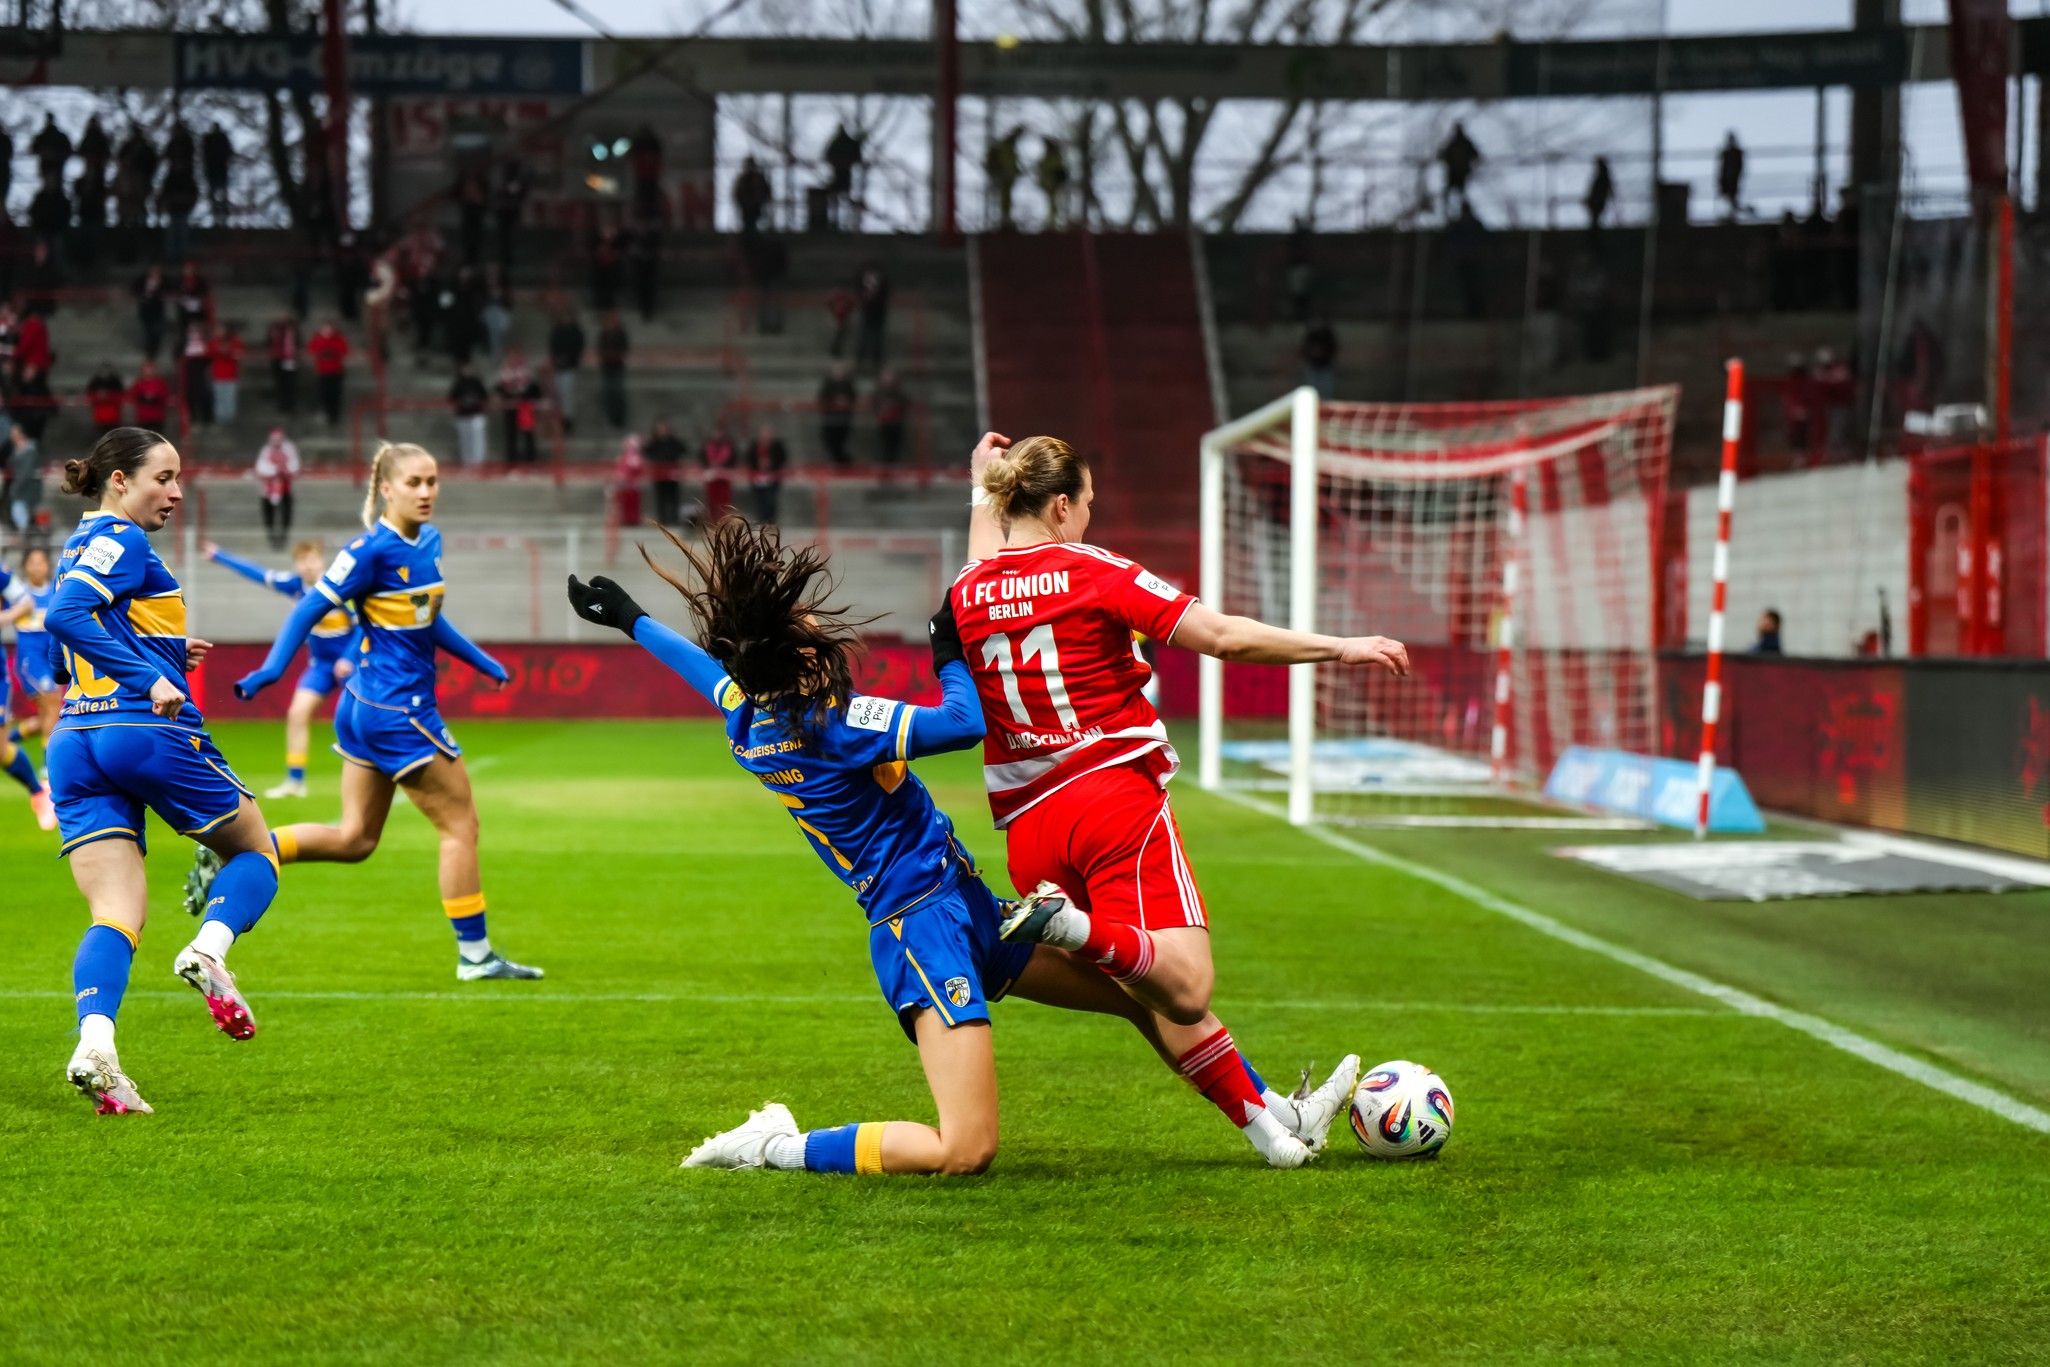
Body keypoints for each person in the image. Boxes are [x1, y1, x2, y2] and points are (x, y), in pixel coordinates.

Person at [955, 432, 1410, 1167]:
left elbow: (985, 561)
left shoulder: (967, 590)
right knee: (1187, 985)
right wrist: (1341, 646)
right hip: (1111, 804)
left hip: (1029, 830)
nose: (1091, 518)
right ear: (1064, 504)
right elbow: (1223, 637)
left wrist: (980, 489)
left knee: (1149, 994)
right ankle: (1072, 928)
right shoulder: (1096, 572)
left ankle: (1276, 1126)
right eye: (1089, 504)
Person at [562, 523, 1047, 1174]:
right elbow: (963, 724)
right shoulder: (836, 727)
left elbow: (705, 672)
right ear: (800, 656)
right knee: (965, 1148)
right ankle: (775, 1146)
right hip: (924, 924)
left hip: (962, 897)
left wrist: (631, 618)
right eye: (808, 624)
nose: (818, 624)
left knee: (1140, 989)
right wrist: (947, 650)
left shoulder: (751, 717)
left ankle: (1240, 1105)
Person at [215, 441, 543, 982]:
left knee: (355, 839)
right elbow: (309, 606)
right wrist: (273, 670)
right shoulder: (368, 551)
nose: (426, 492)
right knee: (461, 825)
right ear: (386, 489)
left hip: (365, 708)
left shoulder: (429, 541)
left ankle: (245, 851)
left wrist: (482, 660)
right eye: (413, 482)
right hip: (399, 712)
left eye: (432, 481)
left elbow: (427, 620)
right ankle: (476, 956)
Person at [46, 426, 285, 1115]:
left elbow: (82, 624)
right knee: (255, 850)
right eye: (163, 477)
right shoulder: (125, 539)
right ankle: (209, 950)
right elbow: (66, 616)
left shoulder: (80, 541)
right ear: (118, 480)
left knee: (115, 915)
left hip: (76, 739)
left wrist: (167, 648)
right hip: (139, 728)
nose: (176, 491)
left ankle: (97, 1046)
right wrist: (150, 677)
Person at [203, 537, 359, 799]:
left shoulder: (338, 586)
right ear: (297, 565)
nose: (308, 565)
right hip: (320, 666)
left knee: (352, 719)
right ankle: (295, 782)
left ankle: (368, 773)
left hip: (349, 665)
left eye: (312, 559)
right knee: (297, 713)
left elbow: (362, 627)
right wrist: (219, 555)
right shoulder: (294, 586)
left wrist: (349, 658)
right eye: (302, 561)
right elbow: (257, 573)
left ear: (322, 561)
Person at [0, 554, 58, 831]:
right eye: (31, 562)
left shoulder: (5, 576)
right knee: (52, 706)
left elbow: (24, 602)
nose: (37, 566)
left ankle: (38, 789)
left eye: (41, 562)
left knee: (52, 714)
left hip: (49, 658)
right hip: (30, 660)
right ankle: (47, 773)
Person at [252, 428, 301, 550]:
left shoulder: (288, 449)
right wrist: (275, 471)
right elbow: (261, 468)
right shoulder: (266, 451)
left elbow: (294, 466)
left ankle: (283, 536)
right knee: (269, 515)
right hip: (267, 491)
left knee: (286, 514)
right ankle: (271, 537)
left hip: (285, 488)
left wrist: (283, 470)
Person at [496, 350, 540, 466]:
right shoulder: (505, 372)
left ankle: (531, 461)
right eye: (512, 358)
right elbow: (501, 388)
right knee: (511, 435)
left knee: (527, 434)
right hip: (510, 409)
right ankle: (512, 462)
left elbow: (532, 388)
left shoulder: (525, 371)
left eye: (516, 358)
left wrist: (522, 394)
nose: (514, 360)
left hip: (524, 408)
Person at [547, 307, 585, 432]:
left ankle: (568, 420)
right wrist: (556, 360)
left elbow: (578, 348)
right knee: (558, 394)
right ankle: (558, 420)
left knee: (567, 395)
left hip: (569, 367)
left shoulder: (576, 332)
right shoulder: (557, 331)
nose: (566, 318)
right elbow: (553, 347)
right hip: (558, 367)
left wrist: (569, 359)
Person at [7, 422, 44, 539]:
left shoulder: (30, 450)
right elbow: (11, 464)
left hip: (29, 487)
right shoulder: (17, 449)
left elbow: (26, 471)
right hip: (21, 486)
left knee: (19, 509)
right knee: (22, 510)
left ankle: (24, 534)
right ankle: (26, 533)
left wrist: (15, 488)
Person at [449, 363, 489, 468]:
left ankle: (478, 463)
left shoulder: (477, 382)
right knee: (464, 440)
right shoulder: (458, 383)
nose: (466, 370)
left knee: (477, 440)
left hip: (476, 416)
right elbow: (451, 397)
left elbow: (485, 396)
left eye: (468, 368)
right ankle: (467, 463)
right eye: (464, 368)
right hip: (462, 416)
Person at [646, 417, 685, 525]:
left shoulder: (674, 441)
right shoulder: (654, 442)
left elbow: (682, 449)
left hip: (672, 474)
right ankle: (662, 519)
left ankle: (674, 518)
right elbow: (647, 452)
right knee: (660, 497)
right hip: (659, 474)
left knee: (673, 496)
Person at [309, 320, 349, 426]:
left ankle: (334, 416)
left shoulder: (338, 339)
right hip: (323, 372)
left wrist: (332, 353)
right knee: (324, 394)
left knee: (335, 395)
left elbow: (344, 351)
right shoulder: (317, 339)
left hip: (336, 372)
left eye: (329, 329)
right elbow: (312, 350)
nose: (327, 331)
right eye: (325, 329)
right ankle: (326, 413)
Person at [747, 423, 787, 524]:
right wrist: (758, 464)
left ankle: (771, 521)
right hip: (757, 478)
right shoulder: (754, 445)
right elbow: (749, 459)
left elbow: (782, 459)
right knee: (760, 500)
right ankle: (761, 521)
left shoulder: (777, 446)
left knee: (771, 500)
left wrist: (771, 463)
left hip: (773, 478)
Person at [818, 362, 856, 467]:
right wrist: (834, 401)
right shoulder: (828, 385)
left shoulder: (848, 385)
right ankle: (840, 461)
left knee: (840, 441)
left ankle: (841, 462)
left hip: (843, 418)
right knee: (830, 441)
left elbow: (853, 398)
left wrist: (845, 402)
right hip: (830, 418)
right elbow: (822, 398)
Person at [854, 260, 890, 371]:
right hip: (867, 310)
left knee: (877, 335)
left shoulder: (882, 279)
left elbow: (886, 292)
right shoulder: (863, 278)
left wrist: (877, 298)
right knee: (864, 334)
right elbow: (858, 290)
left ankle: (876, 358)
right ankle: (861, 358)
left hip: (878, 310)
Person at [985, 127, 1022, 231]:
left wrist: (1015, 171)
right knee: (1003, 198)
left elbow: (1011, 162)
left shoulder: (1009, 147)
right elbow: (1005, 161)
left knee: (1006, 198)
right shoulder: (1004, 147)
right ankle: (1003, 219)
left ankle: (1005, 218)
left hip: (1007, 176)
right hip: (1002, 176)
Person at [1439, 120, 1480, 214]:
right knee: (1455, 192)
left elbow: (1476, 155)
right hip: (1457, 173)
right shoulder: (1455, 143)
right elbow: (1442, 155)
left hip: (1459, 173)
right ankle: (1451, 211)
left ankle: (1457, 211)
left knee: (1456, 192)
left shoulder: (1459, 143)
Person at [598, 312, 629, 429]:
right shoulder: (604, 335)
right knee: (608, 393)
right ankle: (610, 417)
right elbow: (600, 349)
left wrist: (613, 354)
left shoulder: (621, 334)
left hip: (617, 367)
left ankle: (619, 418)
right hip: (606, 367)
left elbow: (624, 349)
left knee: (618, 393)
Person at [210, 322, 245, 426]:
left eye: (220, 329)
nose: (218, 332)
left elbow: (238, 354)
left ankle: (229, 420)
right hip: (218, 375)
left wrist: (227, 352)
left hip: (231, 376)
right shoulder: (213, 342)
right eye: (217, 330)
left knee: (230, 398)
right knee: (219, 398)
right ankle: (220, 420)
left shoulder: (235, 341)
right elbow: (211, 352)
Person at [701, 422, 737, 523]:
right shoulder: (708, 446)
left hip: (724, 477)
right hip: (711, 477)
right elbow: (702, 458)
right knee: (711, 500)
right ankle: (712, 521)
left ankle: (725, 521)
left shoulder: (729, 447)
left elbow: (733, 460)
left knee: (724, 501)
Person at [180, 319, 214, 425]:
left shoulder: (207, 344)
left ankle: (206, 418)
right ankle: (193, 417)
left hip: (203, 374)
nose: (194, 333)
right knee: (191, 396)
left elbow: (211, 356)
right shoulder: (183, 344)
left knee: (205, 395)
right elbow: (178, 356)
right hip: (188, 375)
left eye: (196, 331)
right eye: (192, 331)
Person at [268, 313, 302, 416]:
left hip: (290, 359)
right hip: (278, 359)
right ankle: (282, 404)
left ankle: (290, 405)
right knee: (280, 383)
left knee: (290, 383)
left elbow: (298, 343)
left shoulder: (295, 332)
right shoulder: (277, 331)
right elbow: (269, 342)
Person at [873, 370, 909, 465]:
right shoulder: (878, 392)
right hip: (883, 422)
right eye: (886, 377)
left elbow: (905, 404)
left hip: (896, 422)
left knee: (894, 447)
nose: (888, 379)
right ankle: (884, 466)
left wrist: (892, 405)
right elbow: (874, 405)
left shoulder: (899, 392)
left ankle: (893, 466)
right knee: (883, 446)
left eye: (889, 377)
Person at [134, 264, 168, 361]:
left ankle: (154, 350)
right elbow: (135, 289)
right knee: (148, 331)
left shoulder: (163, 281)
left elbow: (168, 291)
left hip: (157, 311)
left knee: (156, 332)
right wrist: (142, 295)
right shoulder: (142, 280)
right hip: (145, 311)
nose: (154, 273)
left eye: (156, 271)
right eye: (152, 271)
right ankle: (149, 351)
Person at [1034, 136, 1069, 231]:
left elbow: (1060, 169)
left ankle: (1053, 221)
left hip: (1054, 183)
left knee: (1054, 202)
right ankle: (1051, 221)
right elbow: (1042, 170)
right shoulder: (1049, 157)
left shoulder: (1056, 157)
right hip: (1049, 183)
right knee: (1051, 202)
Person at [201, 121, 232, 224]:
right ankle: (218, 211)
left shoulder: (213, 139)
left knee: (220, 193)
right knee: (215, 193)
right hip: (215, 170)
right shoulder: (211, 139)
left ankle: (221, 211)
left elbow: (228, 152)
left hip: (218, 170)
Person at [733, 156, 772, 234]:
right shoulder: (744, 179)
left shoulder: (756, 178)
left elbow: (766, 191)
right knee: (749, 224)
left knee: (751, 224)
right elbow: (738, 193)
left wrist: (759, 200)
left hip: (754, 205)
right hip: (747, 206)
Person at [130, 359, 171, 431]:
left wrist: (154, 397)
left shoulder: (160, 383)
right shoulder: (139, 383)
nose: (148, 372)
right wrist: (143, 397)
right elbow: (133, 395)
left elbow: (165, 396)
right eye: (146, 369)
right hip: (143, 416)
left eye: (150, 369)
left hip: (157, 416)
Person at [1302, 318, 1338, 399]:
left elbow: (1333, 349)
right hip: (1312, 367)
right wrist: (1312, 353)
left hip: (1326, 367)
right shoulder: (1311, 335)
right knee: (1311, 392)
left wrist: (1323, 353)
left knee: (1326, 393)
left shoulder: (1328, 335)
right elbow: (1304, 349)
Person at [86, 363, 127, 434]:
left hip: (113, 417)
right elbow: (90, 395)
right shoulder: (95, 382)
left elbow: (122, 396)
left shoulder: (115, 382)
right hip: (100, 418)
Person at [1717, 131, 1745, 223]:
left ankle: (1731, 215)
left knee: (1732, 196)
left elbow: (1740, 166)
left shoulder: (1737, 153)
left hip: (1733, 179)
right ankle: (1730, 215)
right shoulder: (1726, 153)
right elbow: (1721, 168)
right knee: (1729, 197)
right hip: (1726, 179)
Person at [1585, 156, 1614, 233]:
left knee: (1595, 218)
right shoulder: (1603, 176)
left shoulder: (1601, 176)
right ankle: (1595, 232)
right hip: (1598, 200)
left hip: (1597, 200)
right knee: (1595, 218)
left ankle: (1594, 233)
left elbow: (1598, 189)